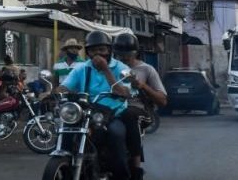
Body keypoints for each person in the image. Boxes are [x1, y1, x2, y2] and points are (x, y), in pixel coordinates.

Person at [56, 31, 132, 180]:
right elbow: (66, 86)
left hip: (113, 114)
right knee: (66, 130)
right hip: (86, 112)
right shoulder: (81, 68)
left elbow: (124, 92)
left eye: (101, 49)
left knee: (116, 134)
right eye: (93, 50)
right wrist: (56, 92)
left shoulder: (121, 68)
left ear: (109, 50)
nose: (98, 54)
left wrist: (106, 69)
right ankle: (64, 165)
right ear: (88, 53)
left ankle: (121, 176)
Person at [113, 33, 167, 180]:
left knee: (129, 114)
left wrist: (143, 86)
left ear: (136, 52)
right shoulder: (110, 67)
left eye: (128, 55)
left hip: (138, 111)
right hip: (111, 109)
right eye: (120, 55)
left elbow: (163, 100)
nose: (124, 58)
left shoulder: (147, 69)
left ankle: (136, 169)